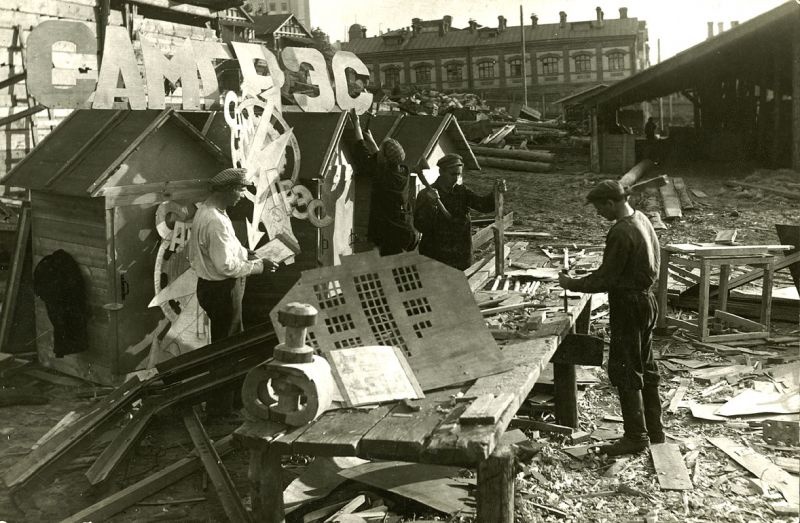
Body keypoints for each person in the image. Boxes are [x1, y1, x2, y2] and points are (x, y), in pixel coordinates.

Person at [558, 180, 664, 456]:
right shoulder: (641, 219)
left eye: (598, 208)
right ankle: (655, 430)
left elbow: (606, 278)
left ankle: (636, 437)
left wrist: (572, 284)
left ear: (610, 203)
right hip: (646, 300)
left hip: (628, 305)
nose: (598, 214)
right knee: (646, 365)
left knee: (626, 369)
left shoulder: (620, 231)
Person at [187, 167, 276, 415]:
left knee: (231, 346)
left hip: (213, 287)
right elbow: (225, 266)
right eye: (240, 190)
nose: (242, 195)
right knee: (226, 352)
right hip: (223, 290)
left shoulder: (210, 211)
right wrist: (259, 266)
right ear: (227, 190)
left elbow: (226, 249)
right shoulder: (215, 221)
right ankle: (220, 411)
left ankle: (234, 401)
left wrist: (245, 253)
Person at [414, 153, 504, 270]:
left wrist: (495, 192)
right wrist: (431, 205)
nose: (456, 178)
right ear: (441, 172)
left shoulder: (462, 192)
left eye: (459, 174)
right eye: (453, 174)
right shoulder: (425, 194)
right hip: (436, 256)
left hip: (460, 256)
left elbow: (484, 206)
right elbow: (420, 225)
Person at [350, 111, 419, 256]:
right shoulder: (404, 171)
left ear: (385, 159)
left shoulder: (382, 175)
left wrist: (356, 124)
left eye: (381, 151)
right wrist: (373, 141)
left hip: (391, 235)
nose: (379, 152)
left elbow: (363, 154)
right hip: (406, 231)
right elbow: (382, 160)